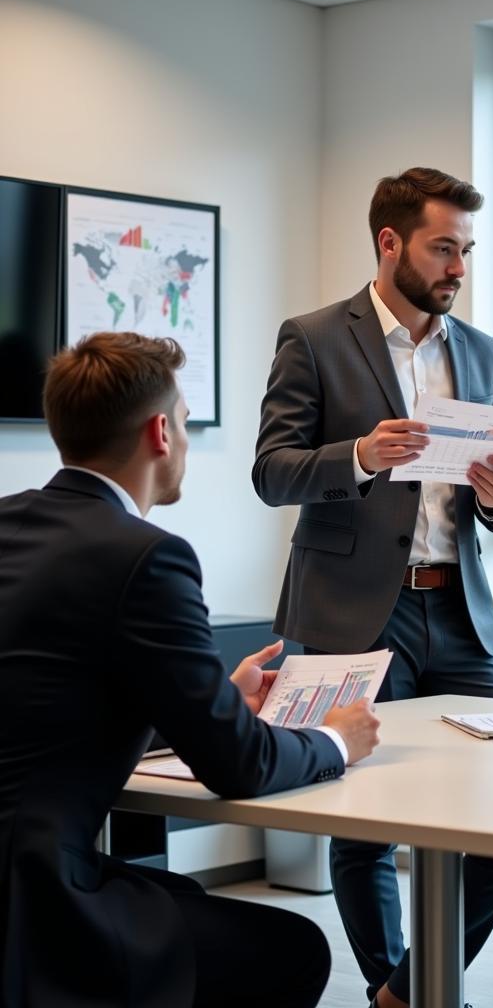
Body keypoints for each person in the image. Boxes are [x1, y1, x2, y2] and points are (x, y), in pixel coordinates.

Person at [0, 331, 381, 1008]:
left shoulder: (12, 523)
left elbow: (50, 701)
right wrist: (337, 740)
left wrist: (210, 702)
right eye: (182, 420)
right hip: (33, 905)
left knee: (179, 897)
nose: (183, 436)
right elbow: (238, 767)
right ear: (159, 433)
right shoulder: (148, 556)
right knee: (291, 950)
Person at [252, 166, 493, 1008]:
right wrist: (359, 457)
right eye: (443, 248)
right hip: (351, 612)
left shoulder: (480, 351)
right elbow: (272, 473)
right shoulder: (312, 337)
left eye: (466, 251)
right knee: (362, 820)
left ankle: (403, 994)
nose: (457, 267)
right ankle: (395, 984)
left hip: (458, 610)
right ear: (390, 243)